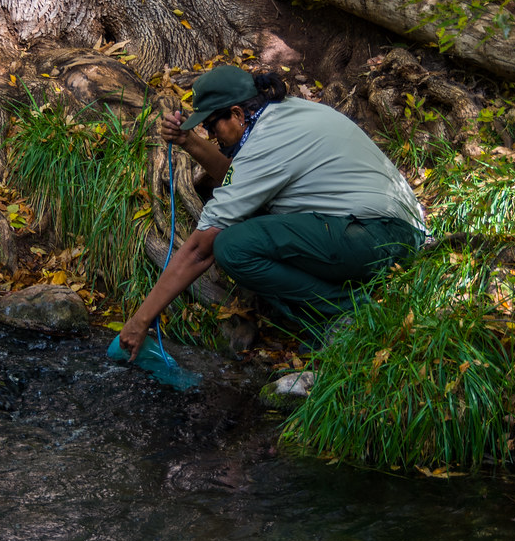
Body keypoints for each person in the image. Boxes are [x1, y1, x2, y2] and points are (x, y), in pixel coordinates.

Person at [118, 65, 426, 359]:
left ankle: (348, 312)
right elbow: (239, 177)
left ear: (237, 113)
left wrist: (140, 319)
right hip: (395, 232)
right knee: (251, 227)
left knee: (232, 247)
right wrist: (188, 141)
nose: (213, 137)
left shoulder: (267, 142)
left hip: (377, 237)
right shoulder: (287, 113)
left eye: (212, 126)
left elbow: (200, 250)